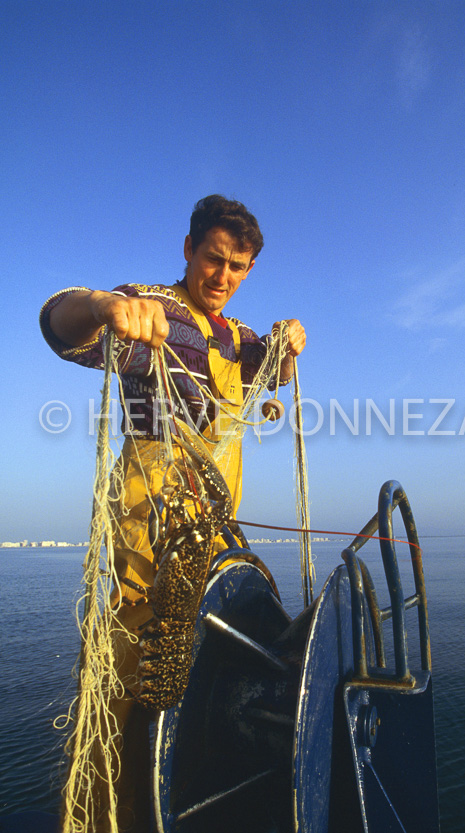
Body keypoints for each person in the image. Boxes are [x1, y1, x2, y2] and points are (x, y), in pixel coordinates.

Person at [40, 195, 306, 832]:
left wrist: (288, 345)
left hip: (213, 538)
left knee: (203, 678)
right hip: (150, 536)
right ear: (188, 250)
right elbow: (59, 324)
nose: (223, 277)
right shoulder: (152, 307)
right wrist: (103, 307)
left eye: (238, 267)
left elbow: (273, 374)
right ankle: (107, 816)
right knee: (126, 682)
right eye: (214, 259)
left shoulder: (239, 337)